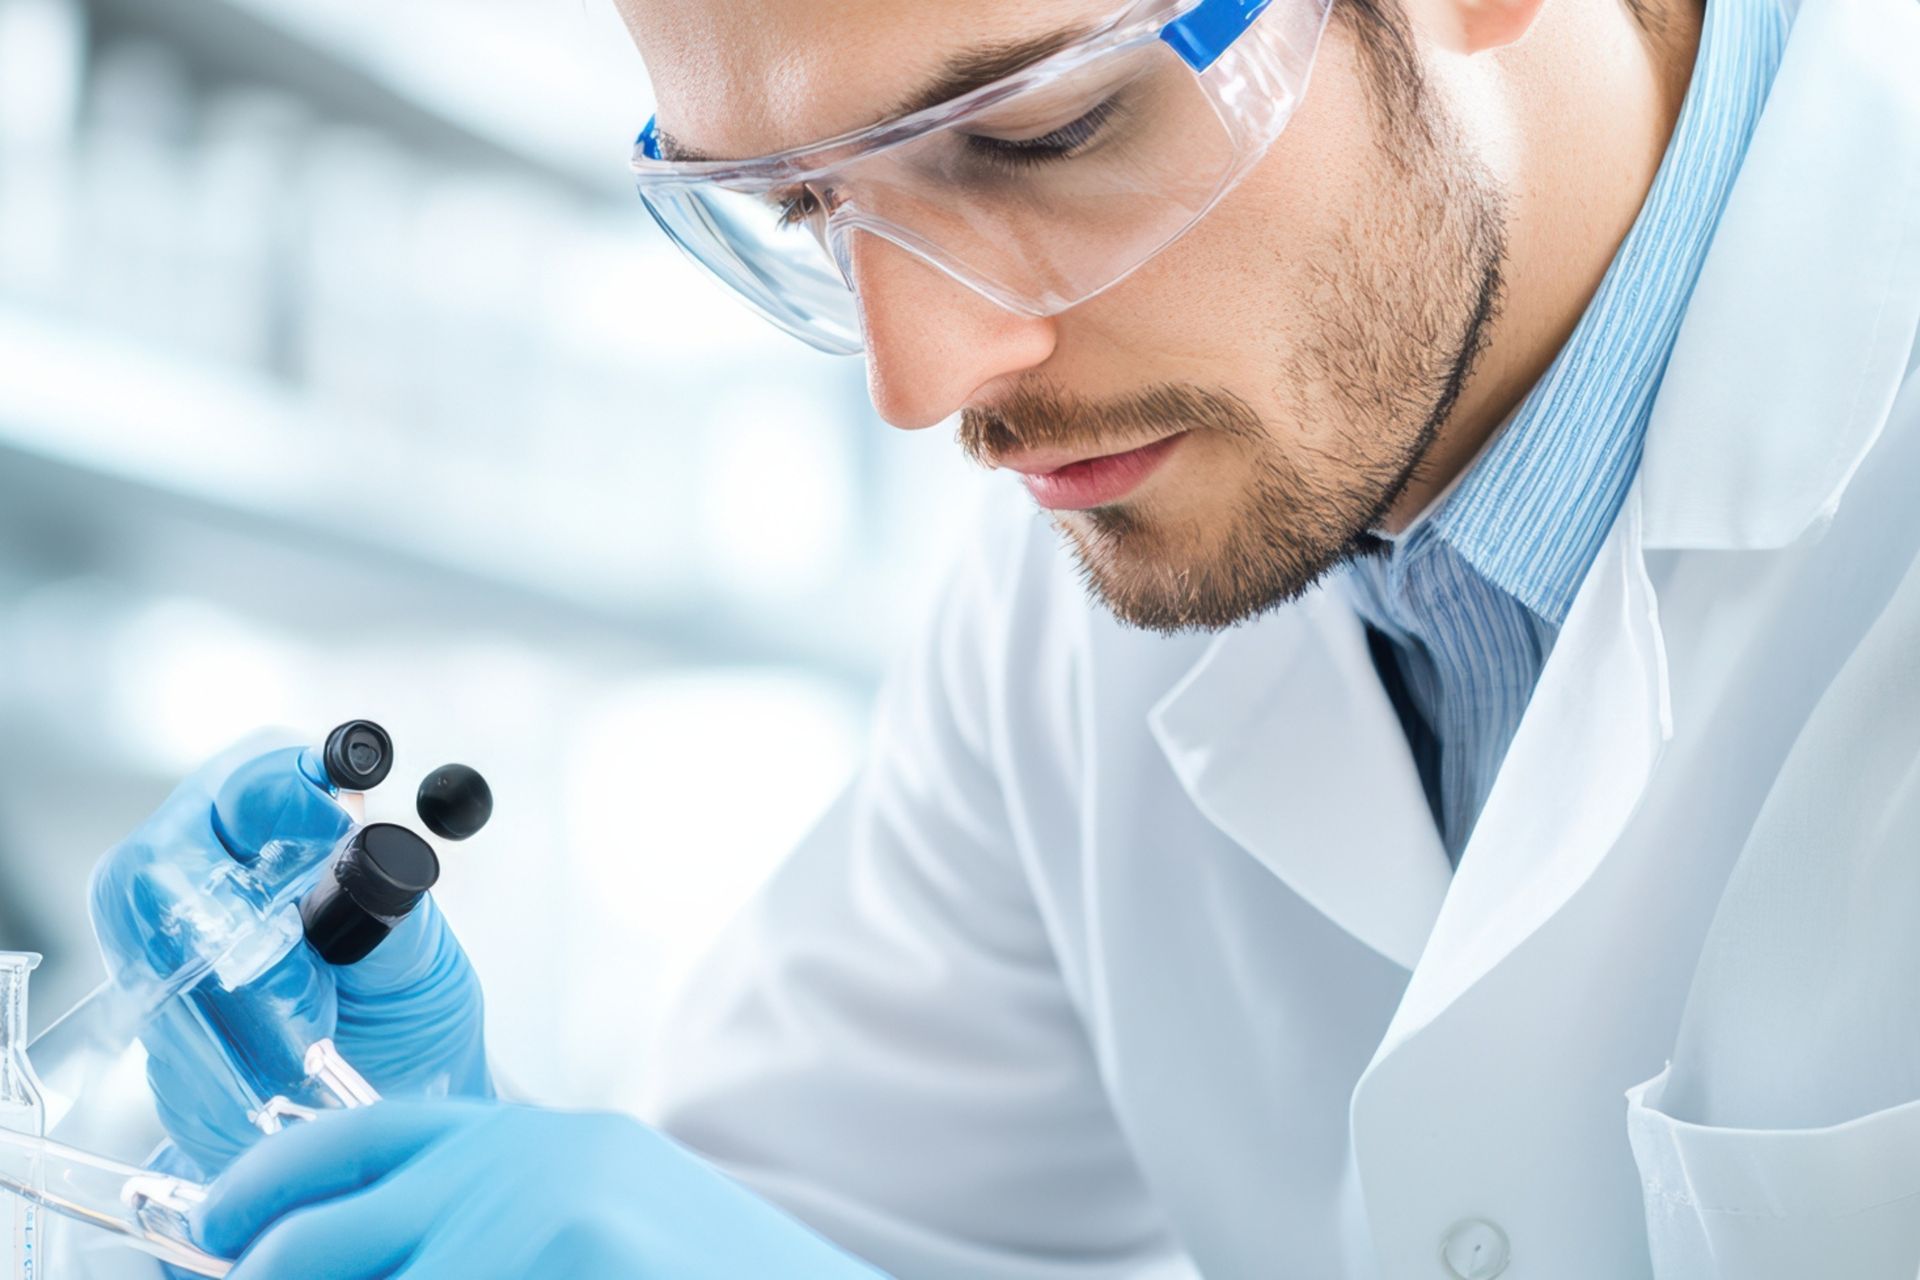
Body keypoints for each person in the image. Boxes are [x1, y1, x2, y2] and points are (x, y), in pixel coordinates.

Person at [93, 0, 1920, 1274]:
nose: (928, 382)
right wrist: (428, 1169)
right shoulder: (1082, 607)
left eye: (1039, 131)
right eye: (806, 209)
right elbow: (833, 1227)